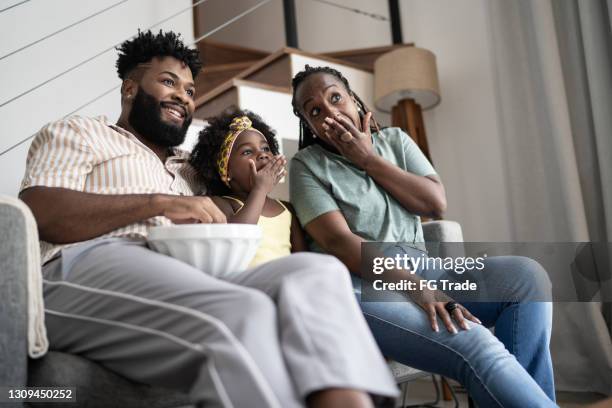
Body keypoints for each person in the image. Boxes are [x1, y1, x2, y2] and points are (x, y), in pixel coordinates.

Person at [18, 32, 399, 408]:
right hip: (81, 265)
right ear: (130, 88)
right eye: (169, 82)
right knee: (243, 313)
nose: (183, 97)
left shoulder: (192, 171)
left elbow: (240, 178)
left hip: (183, 272)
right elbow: (41, 213)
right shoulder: (80, 133)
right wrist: (159, 203)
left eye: (189, 91)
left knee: (317, 274)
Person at [289, 65, 557, 407]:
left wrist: (368, 159)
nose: (330, 111)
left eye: (335, 97)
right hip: (363, 284)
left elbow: (434, 202)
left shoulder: (396, 140)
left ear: (354, 99)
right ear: (309, 125)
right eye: (315, 111)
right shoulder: (306, 165)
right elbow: (340, 243)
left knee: (527, 278)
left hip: (423, 264)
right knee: (475, 342)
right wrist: (417, 288)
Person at [190, 108, 306, 267]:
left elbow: (304, 259)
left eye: (265, 148)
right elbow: (237, 242)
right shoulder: (222, 204)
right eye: (247, 152)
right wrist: (260, 190)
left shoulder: (287, 209)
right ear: (226, 171)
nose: (262, 154)